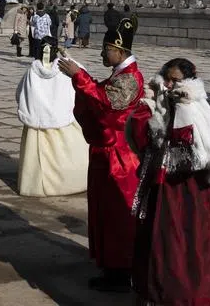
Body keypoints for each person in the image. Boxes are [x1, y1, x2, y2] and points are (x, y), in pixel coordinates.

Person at [124, 59, 210, 305]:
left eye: (175, 80)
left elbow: (194, 149)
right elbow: (143, 139)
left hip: (189, 185)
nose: (170, 83)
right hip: (164, 184)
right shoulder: (163, 102)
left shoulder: (193, 105)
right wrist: (150, 109)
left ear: (187, 81)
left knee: (194, 240)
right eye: (168, 78)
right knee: (162, 238)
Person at [56, 18, 144, 293]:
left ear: (119, 50)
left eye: (106, 49)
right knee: (106, 211)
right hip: (109, 153)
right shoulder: (121, 75)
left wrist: (79, 77)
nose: (102, 54)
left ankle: (120, 271)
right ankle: (112, 265)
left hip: (118, 157)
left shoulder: (129, 78)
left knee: (117, 213)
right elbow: (102, 92)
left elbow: (105, 105)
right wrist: (82, 77)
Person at [15, 36, 88, 197]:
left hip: (36, 126)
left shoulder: (31, 71)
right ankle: (67, 183)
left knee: (36, 158)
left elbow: (20, 93)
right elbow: (84, 81)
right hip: (63, 121)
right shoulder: (65, 69)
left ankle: (35, 185)